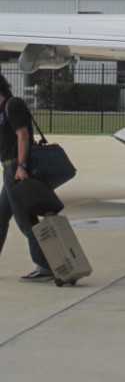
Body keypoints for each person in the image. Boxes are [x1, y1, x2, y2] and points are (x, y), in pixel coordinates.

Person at [0, 73, 53, 281]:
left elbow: (23, 136)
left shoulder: (13, 105)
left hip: (16, 169)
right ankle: (44, 263)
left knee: (24, 219)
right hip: (8, 169)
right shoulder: (2, 109)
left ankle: (44, 264)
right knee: (1, 215)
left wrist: (21, 167)